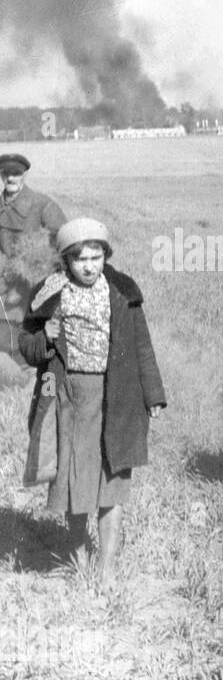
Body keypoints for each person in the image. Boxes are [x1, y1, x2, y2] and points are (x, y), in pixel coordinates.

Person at [20, 218, 166, 581]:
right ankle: (80, 560)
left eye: (96, 257)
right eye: (80, 259)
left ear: (106, 256)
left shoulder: (122, 291)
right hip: (68, 396)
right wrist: (46, 337)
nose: (89, 265)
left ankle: (107, 569)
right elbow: (27, 346)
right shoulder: (50, 294)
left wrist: (153, 394)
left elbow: (141, 346)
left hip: (117, 396)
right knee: (74, 480)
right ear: (66, 261)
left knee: (112, 482)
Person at [1, 153, 66, 388]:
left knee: (32, 330)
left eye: (16, 173)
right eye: (6, 173)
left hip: (33, 283)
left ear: (24, 175)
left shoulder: (41, 204)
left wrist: (40, 263)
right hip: (5, 283)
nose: (11, 178)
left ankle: (30, 373)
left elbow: (64, 239)